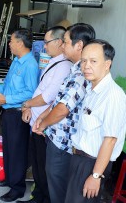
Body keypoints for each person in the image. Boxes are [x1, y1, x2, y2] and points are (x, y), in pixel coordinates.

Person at [32, 23, 95, 203]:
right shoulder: (74, 68)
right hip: (56, 139)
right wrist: (43, 116)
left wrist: (43, 124)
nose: (62, 46)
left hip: (63, 143)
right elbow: (58, 102)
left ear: (79, 45)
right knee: (54, 184)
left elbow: (62, 109)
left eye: (66, 42)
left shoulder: (81, 75)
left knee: (58, 190)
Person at [64, 40, 126, 203]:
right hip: (79, 159)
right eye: (83, 61)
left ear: (107, 64)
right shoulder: (93, 90)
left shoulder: (113, 95)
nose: (86, 66)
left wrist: (96, 175)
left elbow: (111, 139)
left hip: (92, 164)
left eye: (93, 61)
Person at [19, 26, 72, 203]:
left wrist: (27, 104)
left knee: (43, 167)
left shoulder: (64, 66)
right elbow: (40, 90)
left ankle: (43, 198)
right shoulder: (52, 61)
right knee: (37, 165)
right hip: (36, 123)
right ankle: (37, 196)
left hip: (45, 127)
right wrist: (29, 108)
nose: (44, 46)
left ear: (58, 42)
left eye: (47, 42)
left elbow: (48, 97)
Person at [0, 29, 39, 202]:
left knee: (17, 152)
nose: (9, 44)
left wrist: (6, 98)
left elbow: (31, 93)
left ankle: (17, 188)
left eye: (11, 41)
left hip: (19, 114)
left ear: (20, 43)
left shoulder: (30, 65)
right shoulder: (16, 62)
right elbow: (9, 85)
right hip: (9, 112)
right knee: (8, 149)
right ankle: (9, 179)